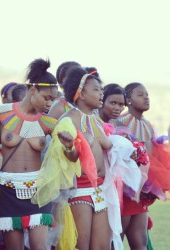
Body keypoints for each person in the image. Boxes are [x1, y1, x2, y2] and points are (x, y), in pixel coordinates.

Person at [0, 58, 74, 250]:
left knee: (39, 247)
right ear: (33, 90)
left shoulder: (48, 122)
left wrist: (69, 147)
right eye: (47, 98)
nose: (50, 103)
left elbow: (73, 157)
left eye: (53, 99)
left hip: (38, 192)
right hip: (7, 190)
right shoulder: (0, 113)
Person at [113, 82, 170, 250]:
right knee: (117, 241)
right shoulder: (120, 123)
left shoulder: (148, 125)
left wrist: (154, 185)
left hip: (142, 193)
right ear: (128, 100)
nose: (146, 97)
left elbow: (153, 157)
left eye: (147, 94)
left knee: (140, 243)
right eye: (140, 95)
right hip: (126, 192)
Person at [56, 65, 116, 250]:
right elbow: (70, 158)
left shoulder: (94, 119)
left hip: (99, 188)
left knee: (102, 247)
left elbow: (107, 145)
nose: (101, 94)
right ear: (81, 94)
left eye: (101, 90)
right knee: (81, 246)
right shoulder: (68, 119)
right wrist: (69, 147)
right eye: (96, 90)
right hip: (80, 190)